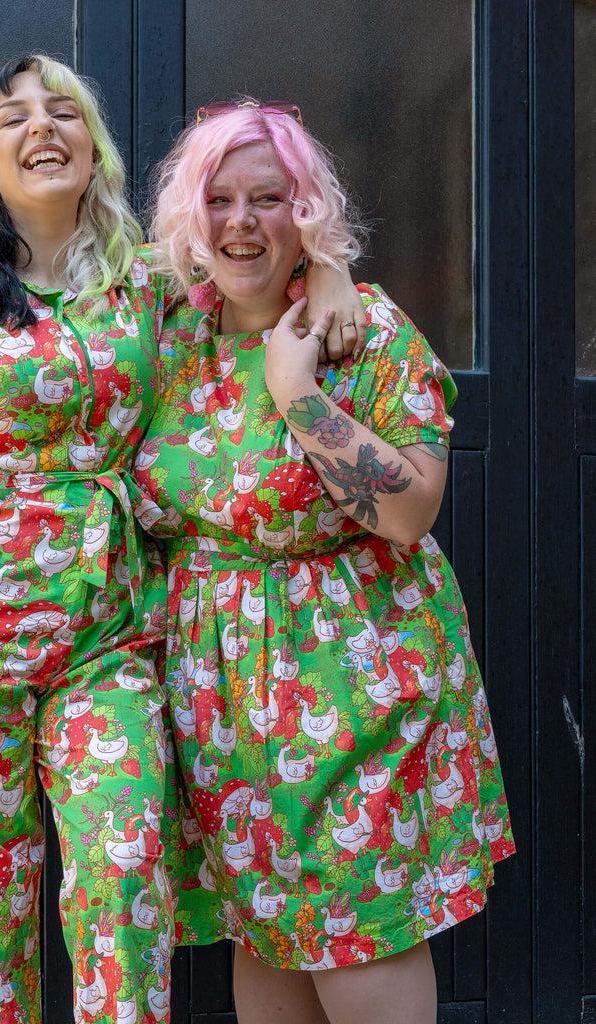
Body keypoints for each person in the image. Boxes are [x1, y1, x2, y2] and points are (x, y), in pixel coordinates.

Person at [0, 57, 365, 1024]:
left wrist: (331, 267)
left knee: (127, 881)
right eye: (14, 118)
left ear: (93, 150)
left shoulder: (149, 283)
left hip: (114, 636)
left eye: (65, 111)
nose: (43, 127)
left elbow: (260, 257)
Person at [135, 102, 515, 1024]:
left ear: (304, 211)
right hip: (221, 707)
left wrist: (296, 391)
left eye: (268, 198)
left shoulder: (364, 331)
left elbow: (410, 511)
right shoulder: (170, 339)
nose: (240, 221)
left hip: (351, 690)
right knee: (264, 935)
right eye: (218, 199)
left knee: (357, 936)